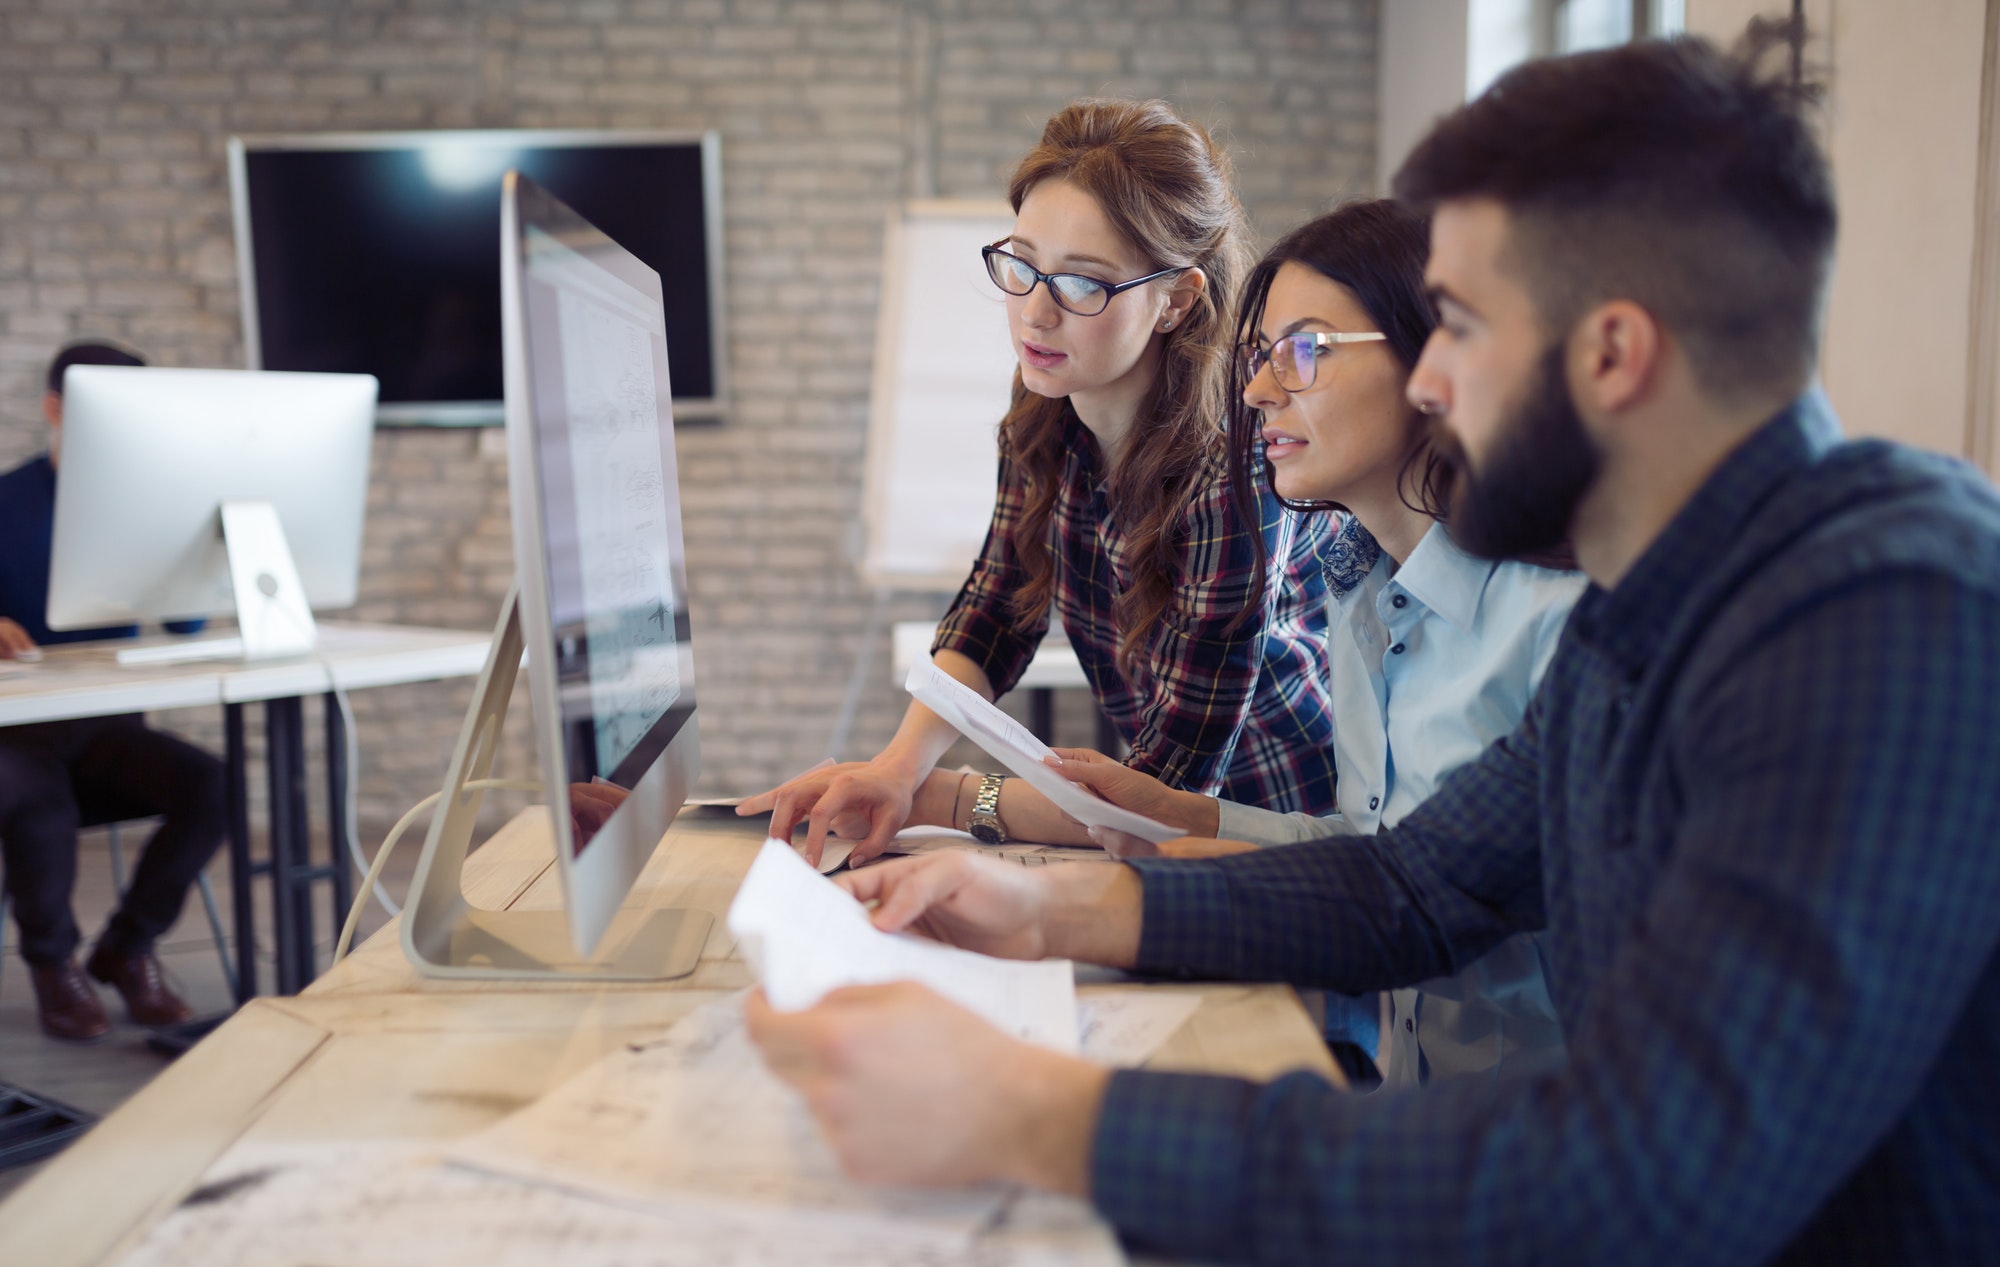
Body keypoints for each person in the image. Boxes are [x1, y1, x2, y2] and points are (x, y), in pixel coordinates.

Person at [746, 30, 2000, 1264]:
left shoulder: (1884, 612)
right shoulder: (1653, 604)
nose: (1428, 382)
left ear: (1611, 352)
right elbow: (1410, 888)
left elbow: (1643, 1172)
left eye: (1454, 325)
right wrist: (1039, 904)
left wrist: (1034, 1113)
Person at [893, 200, 1585, 1088]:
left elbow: (1413, 897)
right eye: (1259, 355)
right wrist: (1187, 817)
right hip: (1431, 1099)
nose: (1257, 389)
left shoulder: (1562, 625)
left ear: (1437, 360)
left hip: (1561, 1144)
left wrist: (1051, 893)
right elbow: (1367, 843)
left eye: (1305, 349)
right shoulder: (1366, 591)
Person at [739, 98, 1340, 864]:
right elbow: (997, 607)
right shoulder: (1047, 405)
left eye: (1083, 284)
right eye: (1021, 265)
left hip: (1279, 833)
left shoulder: (1235, 469)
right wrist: (897, 766)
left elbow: (1160, 793)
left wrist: (949, 796)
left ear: (1176, 300)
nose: (1035, 314)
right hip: (1157, 834)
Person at [0, 341, 228, 1042]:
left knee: (214, 787)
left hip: (106, 729)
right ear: (55, 410)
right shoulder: (6, 500)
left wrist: (201, 536)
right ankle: (51, 964)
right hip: (14, 733)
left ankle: (126, 947)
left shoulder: (142, 502)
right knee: (39, 806)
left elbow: (185, 621)